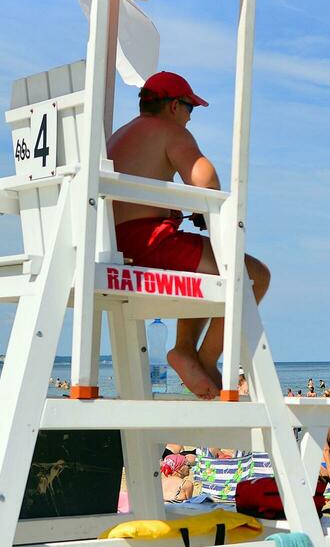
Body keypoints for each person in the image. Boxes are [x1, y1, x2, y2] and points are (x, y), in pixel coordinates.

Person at [107, 72, 271, 399]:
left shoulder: (119, 134)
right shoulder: (171, 131)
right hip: (150, 245)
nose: (189, 117)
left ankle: (185, 350)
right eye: (189, 108)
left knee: (209, 260)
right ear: (172, 106)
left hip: (115, 246)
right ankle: (205, 358)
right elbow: (207, 182)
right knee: (254, 275)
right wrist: (198, 202)